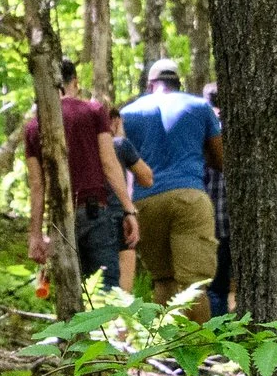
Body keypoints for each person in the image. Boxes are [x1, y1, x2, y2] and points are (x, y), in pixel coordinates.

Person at [118, 57, 225, 318]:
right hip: (189, 198)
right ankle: (200, 353)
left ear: (150, 84)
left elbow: (119, 158)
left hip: (145, 203)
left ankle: (166, 353)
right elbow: (220, 159)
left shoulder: (129, 114)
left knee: (163, 280)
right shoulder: (200, 107)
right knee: (194, 285)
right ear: (178, 82)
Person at [22, 58, 139, 293]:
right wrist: (128, 209)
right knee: (106, 292)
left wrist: (35, 235)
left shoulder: (34, 127)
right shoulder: (93, 111)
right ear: (74, 82)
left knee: (71, 291)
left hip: (59, 218)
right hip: (95, 212)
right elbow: (109, 162)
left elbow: (37, 185)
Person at [110, 131, 155, 292]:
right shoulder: (119, 144)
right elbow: (147, 178)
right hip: (118, 215)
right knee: (123, 288)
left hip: (81, 214)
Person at [201, 82, 231, 315]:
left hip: (207, 220)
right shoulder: (230, 127)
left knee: (212, 286)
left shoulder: (200, 130)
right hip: (229, 220)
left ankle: (217, 336)